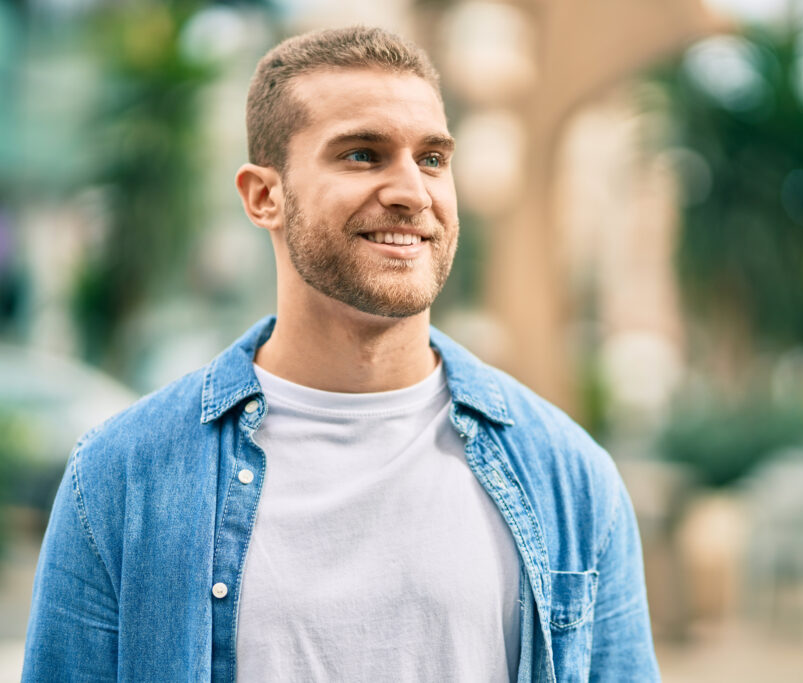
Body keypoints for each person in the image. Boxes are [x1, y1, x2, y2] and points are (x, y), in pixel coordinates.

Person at [22, 26, 659, 682]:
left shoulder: (569, 477)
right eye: (363, 154)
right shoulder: (122, 477)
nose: (412, 191)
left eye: (432, 158)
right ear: (263, 195)